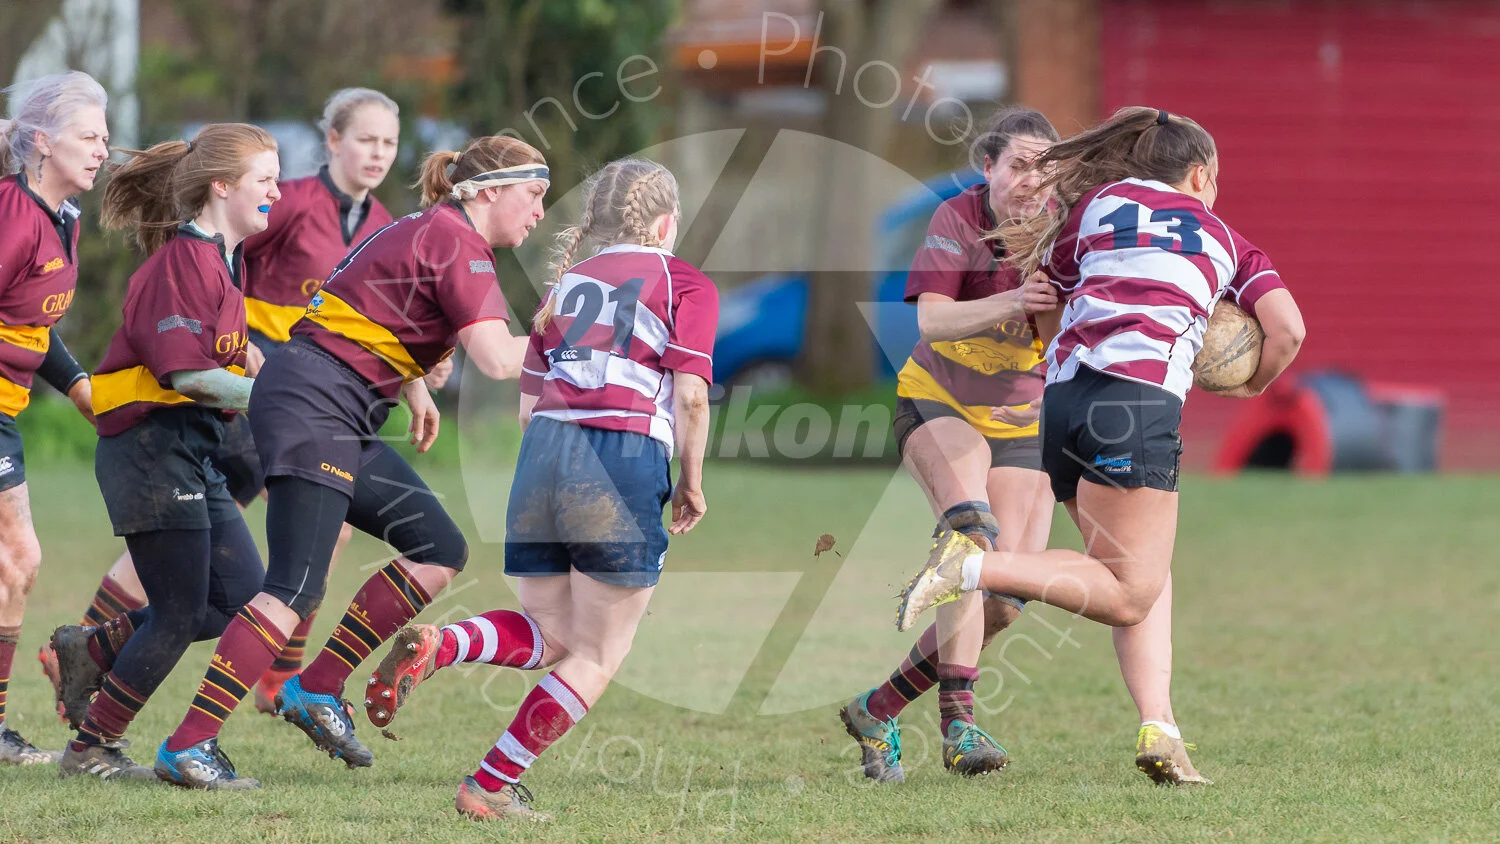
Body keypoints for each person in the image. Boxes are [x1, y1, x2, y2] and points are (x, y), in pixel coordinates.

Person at [895, 106, 1306, 784]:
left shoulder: (1093, 210)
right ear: (1200, 175)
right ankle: (968, 569)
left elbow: (1053, 299)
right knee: (1128, 591)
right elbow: (1286, 331)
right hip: (1134, 405)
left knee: (1143, 569)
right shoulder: (1224, 237)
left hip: (1061, 407)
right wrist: (1249, 383)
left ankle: (1160, 727)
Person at [153, 134, 548, 789]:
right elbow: (501, 360)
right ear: (490, 190)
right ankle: (187, 745)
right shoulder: (457, 242)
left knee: (437, 547)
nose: (539, 210)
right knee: (295, 586)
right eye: (533, 194)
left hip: (325, 405)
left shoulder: (434, 229)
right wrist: (565, 327)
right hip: (315, 405)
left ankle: (319, 687)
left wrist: (417, 378)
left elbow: (376, 315)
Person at [359, 156, 717, 821]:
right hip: (621, 452)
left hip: (545, 453)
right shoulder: (683, 281)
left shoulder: (568, 284)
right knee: (599, 653)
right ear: (667, 224)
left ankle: (447, 644)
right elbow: (692, 397)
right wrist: (692, 481)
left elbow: (528, 407)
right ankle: (489, 785)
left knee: (549, 635)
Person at [44, 88, 412, 718]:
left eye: (389, 142)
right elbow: (189, 356)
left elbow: (333, 319)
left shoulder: (362, 226)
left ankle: (102, 649)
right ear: (332, 141)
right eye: (366, 139)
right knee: (224, 563)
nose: (378, 152)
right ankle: (264, 680)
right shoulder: (263, 218)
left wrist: (413, 377)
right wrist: (279, 391)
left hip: (221, 421)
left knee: (226, 573)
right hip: (182, 429)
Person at [51, 123, 279, 781]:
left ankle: (91, 648)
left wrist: (253, 365)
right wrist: (270, 389)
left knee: (234, 596)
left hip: (189, 452)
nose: (276, 193)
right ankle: (91, 748)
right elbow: (186, 376)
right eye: (264, 180)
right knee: (179, 613)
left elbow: (215, 366)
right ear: (223, 186)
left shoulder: (224, 264)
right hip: (149, 451)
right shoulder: (182, 262)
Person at [840, 107, 1060, 782]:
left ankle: (877, 709)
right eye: (1018, 165)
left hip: (1022, 423)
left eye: (1045, 168)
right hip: (940, 403)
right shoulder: (958, 220)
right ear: (987, 167)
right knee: (972, 539)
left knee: (1004, 597)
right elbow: (933, 321)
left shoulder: (1066, 231)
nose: (1032, 181)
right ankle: (959, 725)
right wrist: (1016, 300)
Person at [0, 70, 109, 765]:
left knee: (16, 565)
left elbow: (33, 324)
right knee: (18, 559)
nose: (102, 149)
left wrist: (76, 386)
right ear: (43, 141)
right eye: (87, 135)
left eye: (105, 136)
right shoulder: (13, 214)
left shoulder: (59, 219)